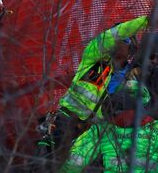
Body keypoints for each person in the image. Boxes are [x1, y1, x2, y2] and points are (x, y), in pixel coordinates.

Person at [39, 16, 149, 154]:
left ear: (131, 49)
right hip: (68, 118)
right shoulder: (93, 55)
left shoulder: (131, 75)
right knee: (48, 154)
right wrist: (146, 21)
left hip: (93, 132)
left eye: (124, 40)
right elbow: (112, 35)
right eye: (116, 38)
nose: (117, 42)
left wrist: (138, 75)